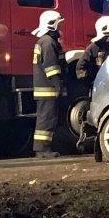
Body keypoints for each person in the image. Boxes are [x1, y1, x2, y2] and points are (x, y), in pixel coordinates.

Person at [31, 10, 67, 158]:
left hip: (44, 88)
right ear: (52, 25)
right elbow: (51, 67)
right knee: (47, 118)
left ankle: (43, 147)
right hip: (48, 89)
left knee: (45, 117)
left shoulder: (45, 41)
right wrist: (58, 85)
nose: (60, 29)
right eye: (59, 25)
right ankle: (42, 149)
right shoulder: (49, 42)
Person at [76, 16, 109, 93]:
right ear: (106, 29)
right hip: (99, 89)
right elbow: (80, 69)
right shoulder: (93, 48)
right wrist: (92, 82)